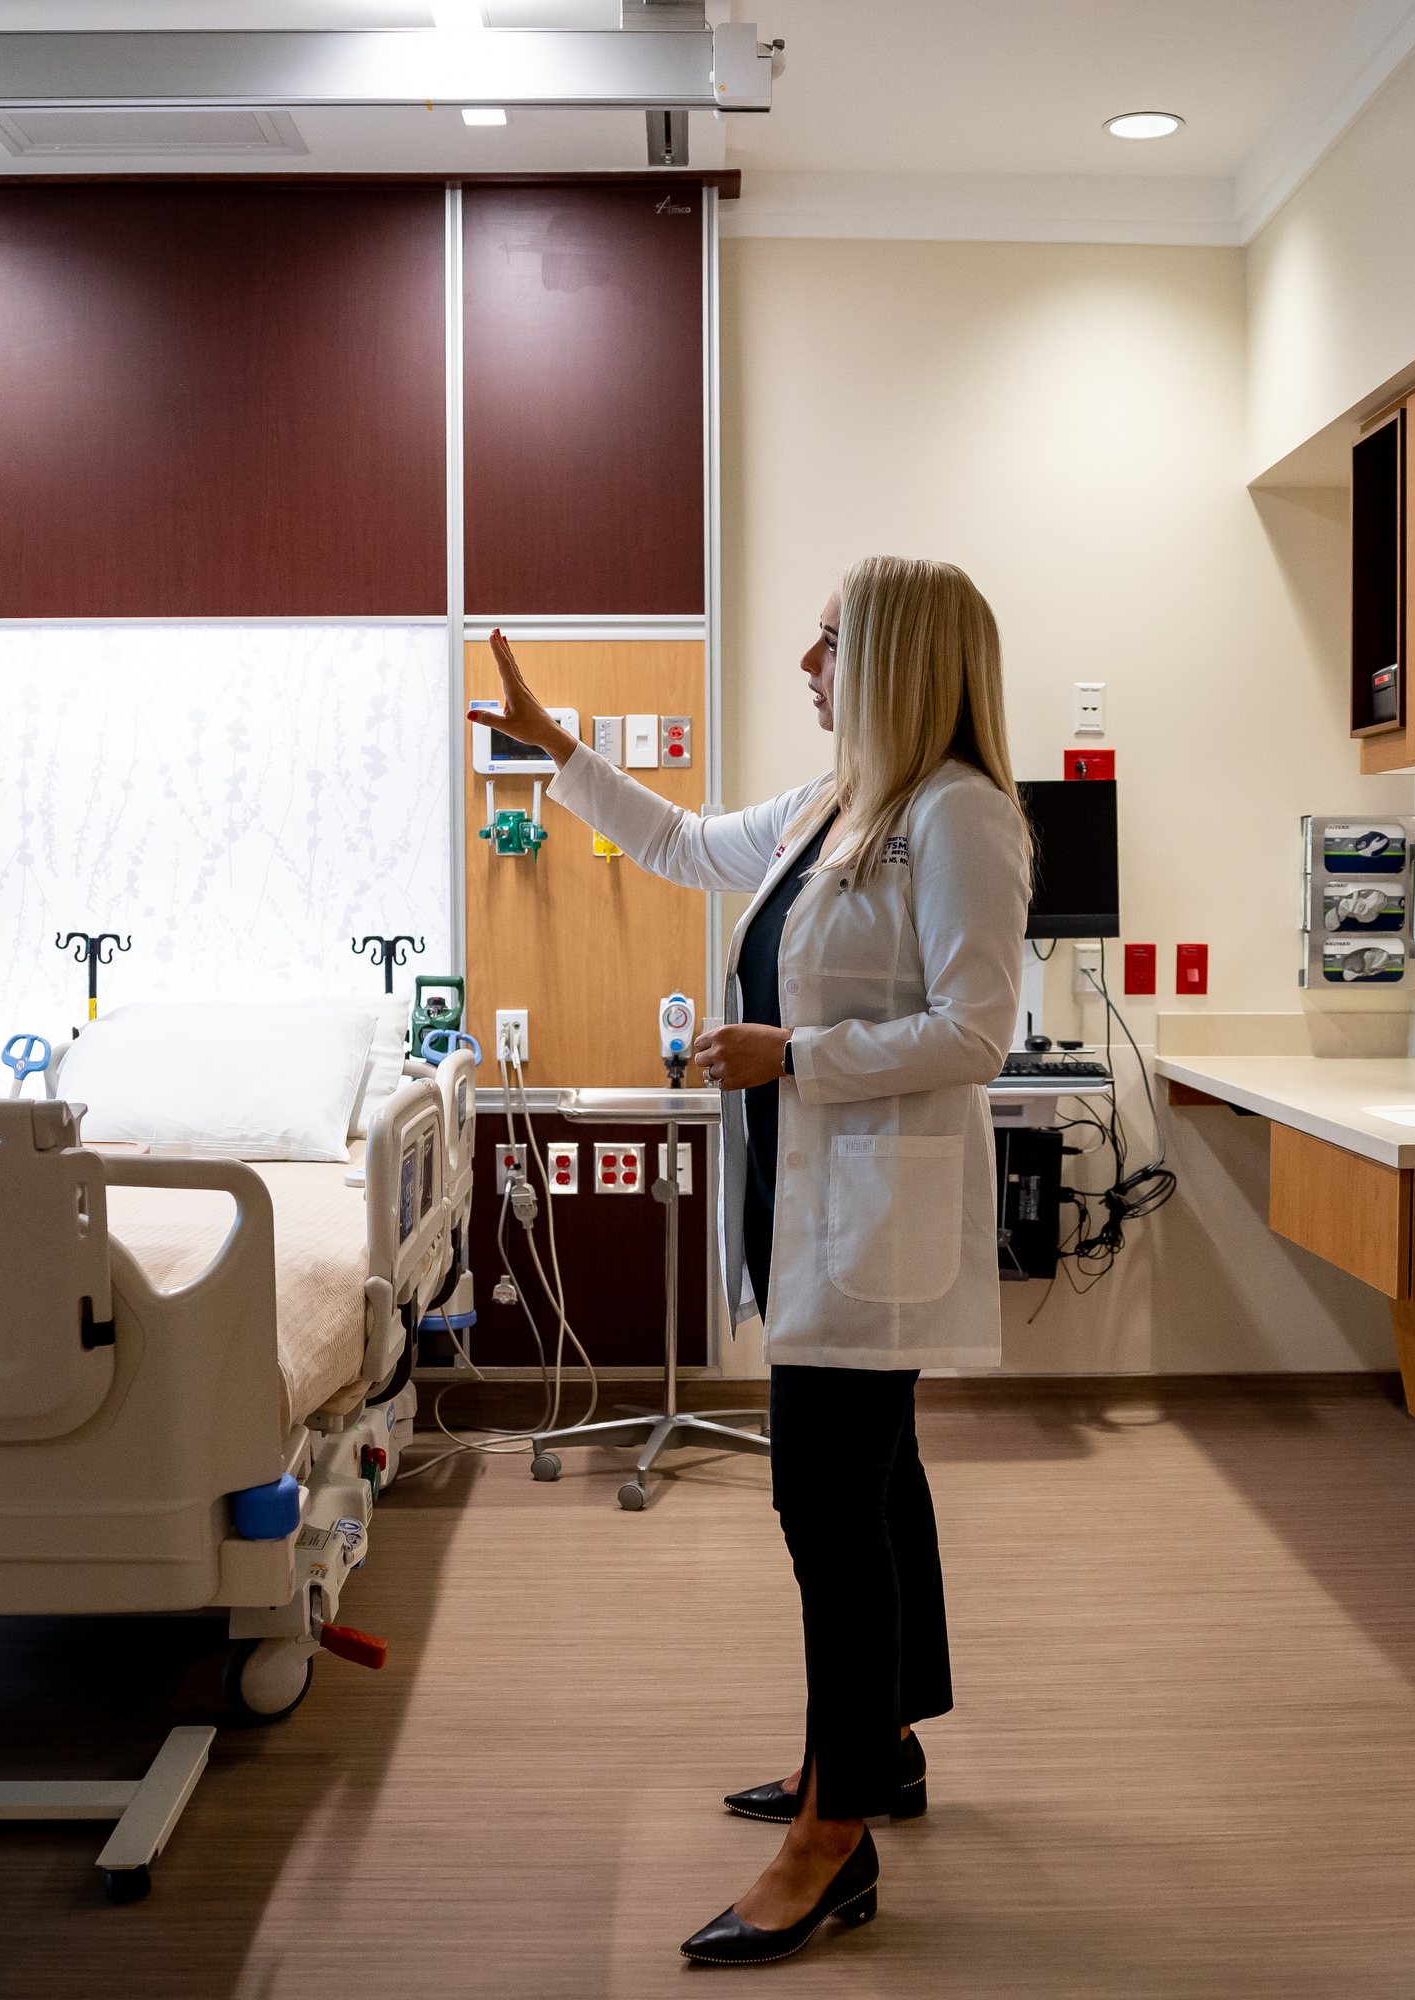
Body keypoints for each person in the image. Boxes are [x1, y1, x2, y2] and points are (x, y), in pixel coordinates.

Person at [475, 556, 1030, 1966]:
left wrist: (803, 1056)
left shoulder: (960, 815)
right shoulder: (840, 809)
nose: (806, 664)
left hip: (867, 1211)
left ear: (897, 658)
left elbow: (979, 1031)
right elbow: (683, 845)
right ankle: (879, 1751)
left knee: (823, 1505)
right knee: (873, 1479)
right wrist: (561, 753)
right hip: (807, 1193)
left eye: (830, 641)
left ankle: (830, 1842)